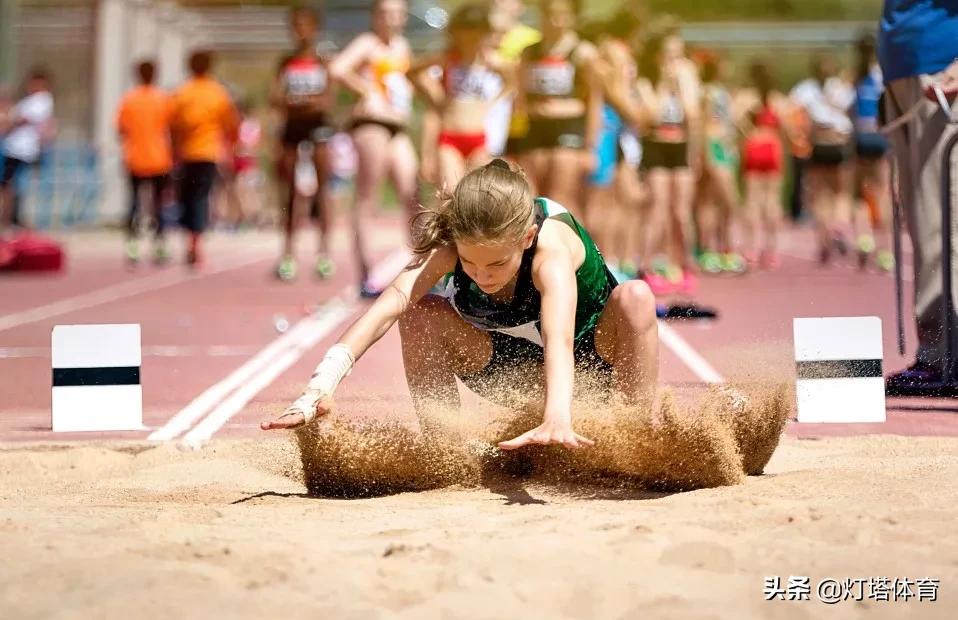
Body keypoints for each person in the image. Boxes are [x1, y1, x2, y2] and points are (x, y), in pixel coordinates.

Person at [261, 159, 659, 452]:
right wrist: (319, 387)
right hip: (505, 369)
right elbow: (389, 306)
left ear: (526, 237)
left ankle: (633, 440)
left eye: (498, 263)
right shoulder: (451, 243)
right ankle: (447, 452)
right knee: (418, 314)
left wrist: (556, 417)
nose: (483, 275)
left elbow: (559, 341)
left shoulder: (550, 253)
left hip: (590, 363)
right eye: (470, 263)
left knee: (636, 297)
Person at [880, 0, 958, 395]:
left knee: (945, 226)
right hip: (907, 70)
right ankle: (937, 354)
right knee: (925, 225)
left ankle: (946, 357)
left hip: (944, 68)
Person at [330, 0, 418, 298]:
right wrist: (366, 90)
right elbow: (338, 68)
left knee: (412, 192)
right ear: (375, 16)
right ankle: (366, 275)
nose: (391, 19)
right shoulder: (368, 43)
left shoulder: (402, 46)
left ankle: (421, 271)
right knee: (369, 196)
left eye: (396, 14)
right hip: (372, 124)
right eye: (384, 13)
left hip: (397, 125)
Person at [408, 3, 512, 189]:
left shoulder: (491, 62)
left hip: (479, 138)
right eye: (466, 31)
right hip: (451, 137)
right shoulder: (448, 59)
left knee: (475, 195)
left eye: (477, 32)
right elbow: (413, 71)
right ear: (455, 32)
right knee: (450, 193)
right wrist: (434, 92)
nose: (471, 38)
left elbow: (512, 81)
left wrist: (494, 102)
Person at [515, 0, 601, 220]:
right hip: (535, 128)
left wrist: (591, 148)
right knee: (530, 199)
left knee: (561, 199)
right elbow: (520, 97)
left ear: (572, 17)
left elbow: (594, 100)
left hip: (568, 129)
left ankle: (576, 250)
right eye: (550, 14)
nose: (555, 20)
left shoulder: (584, 53)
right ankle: (535, 250)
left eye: (561, 15)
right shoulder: (529, 52)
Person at [270, 6, 336, 282]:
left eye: (306, 25)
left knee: (322, 191)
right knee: (289, 192)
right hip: (292, 130)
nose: (302, 31)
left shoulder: (323, 61)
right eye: (297, 25)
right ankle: (287, 254)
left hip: (317, 128)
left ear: (315, 29)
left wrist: (302, 103)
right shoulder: (286, 62)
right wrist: (300, 103)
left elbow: (327, 100)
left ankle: (324, 254)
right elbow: (275, 98)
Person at [634, 32, 700, 295]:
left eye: (678, 54)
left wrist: (681, 88)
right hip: (656, 146)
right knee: (657, 208)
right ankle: (647, 266)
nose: (674, 61)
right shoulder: (645, 81)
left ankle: (685, 265)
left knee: (680, 212)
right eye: (669, 54)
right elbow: (650, 116)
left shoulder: (687, 78)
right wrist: (663, 84)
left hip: (680, 146)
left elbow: (693, 115)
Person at [169, 50, 240, 268]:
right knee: (200, 197)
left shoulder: (182, 93)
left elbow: (173, 125)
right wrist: (230, 148)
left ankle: (190, 239)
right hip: (208, 153)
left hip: (187, 154)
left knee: (186, 198)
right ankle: (196, 241)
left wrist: (174, 149)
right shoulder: (217, 93)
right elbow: (231, 124)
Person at [790, 54, 855, 266]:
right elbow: (851, 109)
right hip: (838, 141)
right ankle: (839, 227)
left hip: (818, 142)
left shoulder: (805, 89)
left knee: (819, 195)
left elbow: (793, 111)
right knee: (841, 192)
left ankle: (824, 239)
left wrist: (801, 135)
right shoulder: (840, 87)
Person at [116, 60, 173, 266]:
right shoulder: (162, 100)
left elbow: (120, 129)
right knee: (158, 205)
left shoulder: (129, 100)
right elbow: (171, 128)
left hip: (135, 158)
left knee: (134, 204)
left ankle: (132, 245)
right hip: (159, 159)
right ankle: (159, 245)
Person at [695, 50, 744, 275]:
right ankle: (707, 251)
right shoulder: (707, 92)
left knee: (722, 203)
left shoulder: (724, 91)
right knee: (720, 200)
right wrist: (706, 155)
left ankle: (725, 249)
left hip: (725, 149)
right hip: (714, 148)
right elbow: (704, 124)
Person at [738, 61, 790, 269]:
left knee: (752, 199)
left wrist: (749, 133)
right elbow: (787, 127)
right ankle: (771, 250)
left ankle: (750, 248)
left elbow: (736, 120)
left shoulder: (745, 98)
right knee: (772, 201)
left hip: (754, 146)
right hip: (772, 147)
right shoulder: (777, 99)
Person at [850, 33, 893, 273]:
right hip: (879, 135)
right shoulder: (882, 75)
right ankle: (886, 250)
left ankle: (864, 237)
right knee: (882, 193)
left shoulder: (854, 76)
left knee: (859, 194)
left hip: (861, 137)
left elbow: (850, 110)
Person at [0, 68, 53, 235]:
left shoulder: (42, 100)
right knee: (8, 185)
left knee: (9, 185)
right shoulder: (29, 100)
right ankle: (10, 218)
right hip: (13, 147)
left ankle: (11, 219)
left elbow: (21, 119)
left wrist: (9, 121)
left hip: (20, 150)